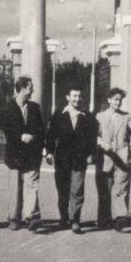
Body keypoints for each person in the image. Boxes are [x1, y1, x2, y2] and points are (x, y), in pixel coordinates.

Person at [0, 75, 45, 231]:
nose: (33, 90)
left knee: (32, 186)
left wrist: (35, 138)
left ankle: (32, 217)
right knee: (15, 187)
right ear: (22, 89)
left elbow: (41, 130)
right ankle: (14, 218)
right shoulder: (7, 108)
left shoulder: (35, 108)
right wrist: (20, 136)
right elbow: (5, 128)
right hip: (15, 154)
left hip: (32, 154)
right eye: (30, 88)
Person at [45, 87, 97, 234]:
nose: (77, 99)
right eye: (74, 96)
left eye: (79, 96)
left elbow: (92, 138)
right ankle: (64, 218)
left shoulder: (87, 116)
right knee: (63, 190)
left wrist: (91, 154)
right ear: (68, 97)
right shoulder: (59, 114)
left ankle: (75, 220)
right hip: (62, 160)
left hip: (79, 160)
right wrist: (49, 152)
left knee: (77, 190)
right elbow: (50, 135)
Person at [95, 87, 131, 232]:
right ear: (109, 100)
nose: (118, 102)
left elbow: (130, 137)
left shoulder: (127, 117)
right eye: (115, 99)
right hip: (105, 156)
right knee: (104, 190)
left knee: (121, 188)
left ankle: (120, 218)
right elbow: (95, 135)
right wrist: (102, 144)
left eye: (120, 100)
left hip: (122, 157)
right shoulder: (100, 116)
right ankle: (104, 219)